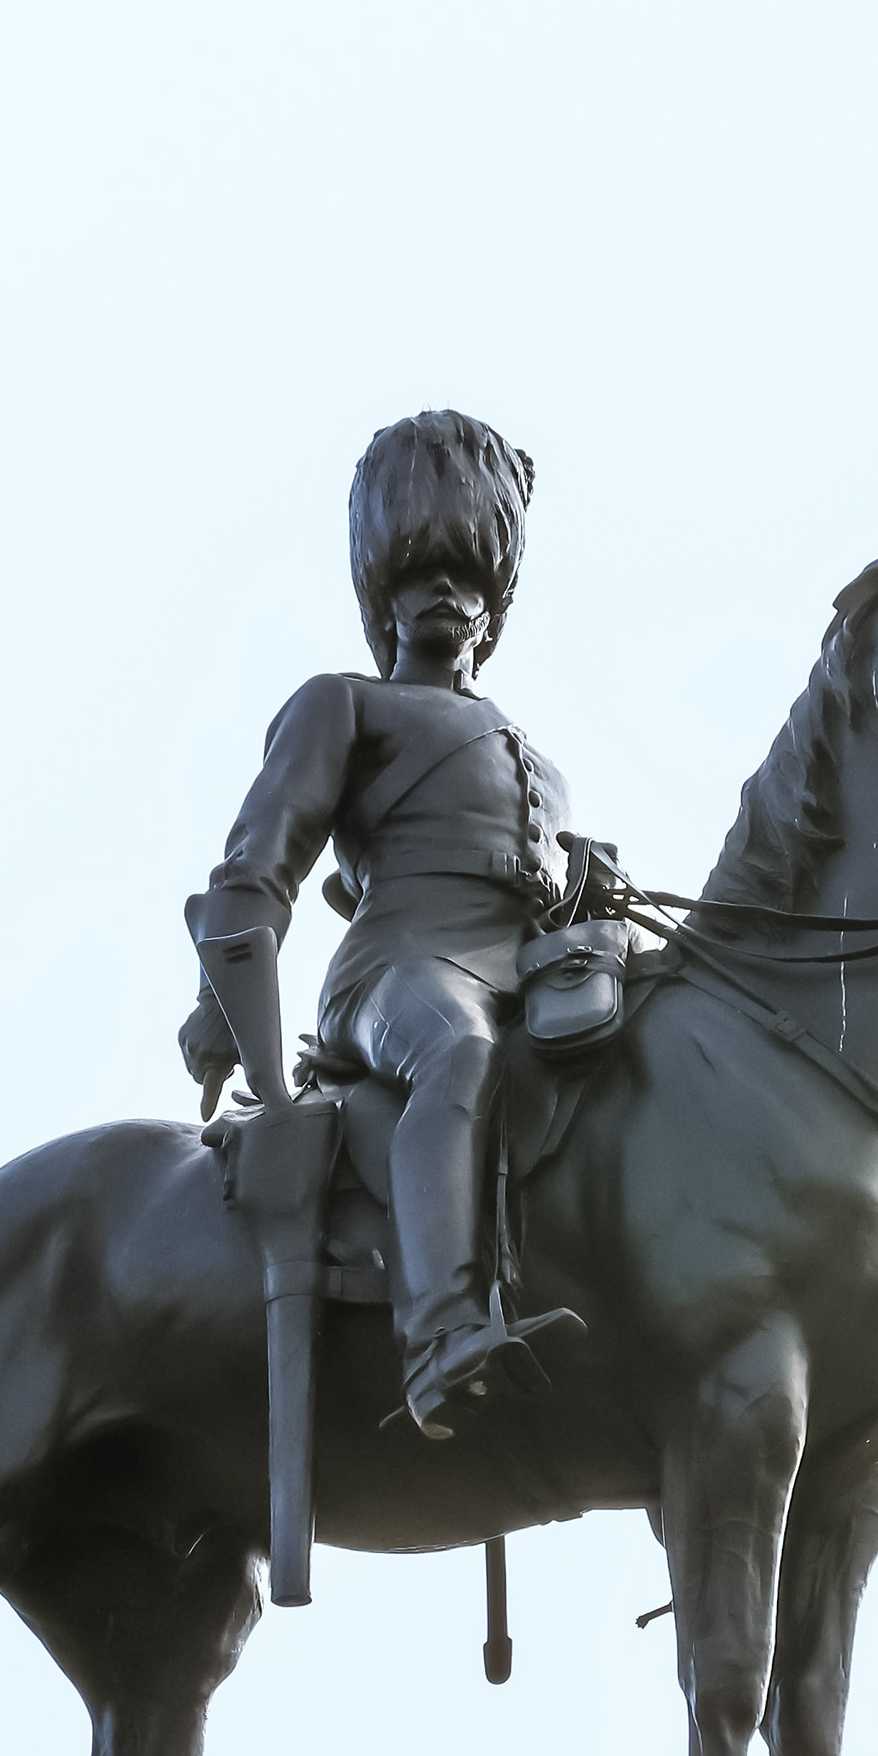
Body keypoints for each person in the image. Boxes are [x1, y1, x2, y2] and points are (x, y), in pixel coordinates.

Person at [182, 411, 579, 1438]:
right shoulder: (343, 705)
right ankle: (442, 1333)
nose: (446, 593)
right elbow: (259, 856)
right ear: (382, 597)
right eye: (418, 576)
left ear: (494, 609)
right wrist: (221, 1003)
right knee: (460, 1053)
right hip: (399, 967)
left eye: (470, 578)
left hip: (521, 969)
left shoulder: (543, 766)